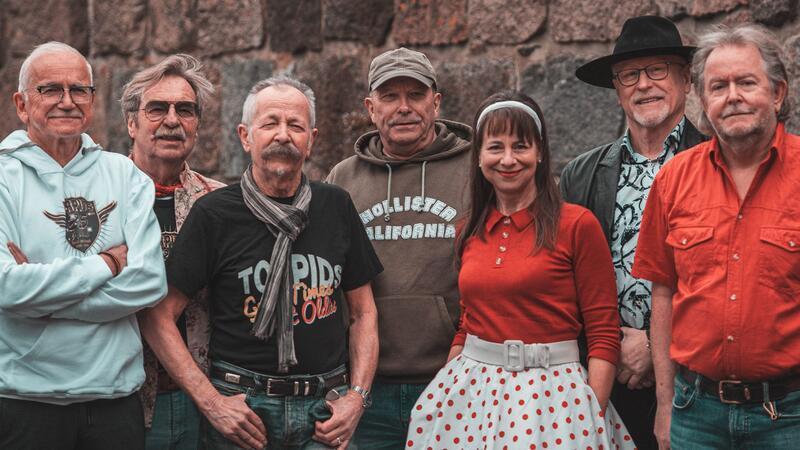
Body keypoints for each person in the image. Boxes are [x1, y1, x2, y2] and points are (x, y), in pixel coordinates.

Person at [141, 75, 382, 450]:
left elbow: (363, 313)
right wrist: (212, 403)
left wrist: (357, 398)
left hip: (326, 411)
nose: (283, 134)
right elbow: (158, 317)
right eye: (270, 123)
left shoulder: (336, 205)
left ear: (312, 139)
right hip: (243, 411)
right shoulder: (215, 214)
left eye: (295, 125)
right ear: (245, 135)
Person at [406, 91, 635, 449]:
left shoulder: (576, 225)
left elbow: (603, 333)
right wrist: (445, 385)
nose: (508, 159)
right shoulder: (468, 230)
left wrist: (591, 414)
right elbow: (469, 321)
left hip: (555, 399)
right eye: (495, 147)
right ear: (479, 156)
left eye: (521, 146)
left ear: (540, 153)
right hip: (473, 396)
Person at [633, 24, 800, 450]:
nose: (733, 96)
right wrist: (666, 403)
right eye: (718, 86)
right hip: (696, 415)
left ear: (777, 94)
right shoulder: (673, 179)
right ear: (704, 102)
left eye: (747, 82)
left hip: (789, 415)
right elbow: (663, 292)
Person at [0, 41, 167, 450]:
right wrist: (106, 266)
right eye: (51, 89)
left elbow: (149, 283)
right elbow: (6, 287)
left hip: (114, 407)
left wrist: (38, 299)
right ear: (22, 104)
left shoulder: (124, 176)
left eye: (80, 90)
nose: (67, 102)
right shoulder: (3, 178)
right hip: (24, 405)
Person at [560, 16, 707, 449]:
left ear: (685, 80)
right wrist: (613, 345)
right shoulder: (580, 174)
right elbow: (566, 277)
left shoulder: (713, 162)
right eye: (630, 75)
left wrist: (655, 347)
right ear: (617, 87)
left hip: (691, 381)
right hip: (604, 370)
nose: (644, 85)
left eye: (657, 70)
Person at [326, 47, 472, 448]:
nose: (404, 108)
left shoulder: (476, 169)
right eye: (390, 97)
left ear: (436, 103)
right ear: (371, 108)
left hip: (454, 380)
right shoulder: (343, 178)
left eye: (416, 95)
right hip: (368, 389)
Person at [121, 53, 226, 449]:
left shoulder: (219, 202)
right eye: (157, 109)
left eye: (185, 110)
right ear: (131, 122)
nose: (171, 120)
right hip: (124, 398)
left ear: (197, 125)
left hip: (205, 400)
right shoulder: (102, 198)